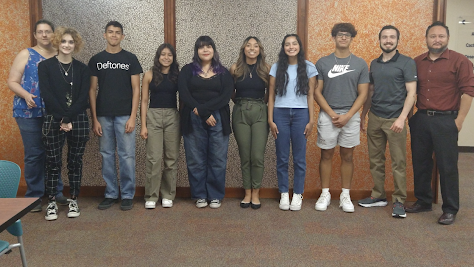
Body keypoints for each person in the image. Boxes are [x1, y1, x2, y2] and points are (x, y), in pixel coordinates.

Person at [405, 21, 474, 225]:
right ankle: (424, 201)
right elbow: (409, 91)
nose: (437, 40)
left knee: (447, 166)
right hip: (421, 119)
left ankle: (450, 208)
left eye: (441, 36)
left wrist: (459, 121)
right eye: (433, 36)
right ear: (426, 39)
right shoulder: (417, 61)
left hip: (447, 121)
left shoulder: (460, 61)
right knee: (421, 162)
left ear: (447, 38)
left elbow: (469, 92)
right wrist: (411, 118)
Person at [7, 19, 67, 212]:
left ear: (53, 34)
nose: (44, 35)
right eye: (40, 32)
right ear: (35, 35)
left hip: (53, 113)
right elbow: (12, 81)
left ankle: (56, 192)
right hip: (27, 112)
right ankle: (33, 195)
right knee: (34, 154)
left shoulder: (60, 55)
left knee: (53, 153)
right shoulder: (26, 54)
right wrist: (25, 95)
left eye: (48, 31)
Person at [358, 25, 417, 218]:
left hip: (395, 120)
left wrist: (402, 118)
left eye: (392, 37)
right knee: (375, 160)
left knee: (398, 162)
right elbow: (371, 92)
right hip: (375, 117)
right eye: (385, 37)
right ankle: (378, 195)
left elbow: (412, 93)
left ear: (397, 40)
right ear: (380, 40)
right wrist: (363, 115)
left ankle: (399, 200)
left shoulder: (407, 63)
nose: (388, 40)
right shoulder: (374, 63)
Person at [314, 23, 369, 213]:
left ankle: (345, 195)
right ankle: (325, 193)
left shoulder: (360, 64)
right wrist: (331, 113)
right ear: (333, 38)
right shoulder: (322, 62)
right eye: (339, 35)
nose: (343, 37)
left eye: (347, 35)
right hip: (328, 115)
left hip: (350, 117)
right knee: (326, 154)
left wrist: (348, 115)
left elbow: (363, 94)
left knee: (347, 155)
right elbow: (317, 91)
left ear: (352, 38)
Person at [89, 21, 143, 211]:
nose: (113, 35)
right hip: (103, 116)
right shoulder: (96, 60)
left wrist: (132, 117)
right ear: (104, 35)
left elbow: (137, 89)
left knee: (127, 156)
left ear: (122, 37)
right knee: (106, 155)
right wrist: (94, 119)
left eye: (117, 32)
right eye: (110, 32)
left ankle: (128, 194)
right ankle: (111, 193)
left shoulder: (131, 58)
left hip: (124, 116)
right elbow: (92, 89)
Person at [39, 27, 90, 220]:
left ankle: (74, 199)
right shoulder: (45, 67)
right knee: (53, 161)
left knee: (75, 162)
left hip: (78, 119)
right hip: (53, 119)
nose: (67, 45)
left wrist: (68, 118)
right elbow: (47, 95)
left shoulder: (83, 69)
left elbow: (83, 97)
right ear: (57, 43)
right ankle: (51, 202)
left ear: (75, 45)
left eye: (70, 42)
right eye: (63, 42)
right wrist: (62, 118)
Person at [178, 36, 233, 209]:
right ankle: (200, 194)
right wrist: (201, 111)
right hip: (192, 117)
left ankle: (215, 195)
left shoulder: (223, 72)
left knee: (217, 159)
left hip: (218, 117)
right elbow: (184, 93)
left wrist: (205, 110)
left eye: (209, 46)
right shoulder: (187, 70)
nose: (205, 50)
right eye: (201, 47)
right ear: (197, 51)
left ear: (214, 50)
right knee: (195, 159)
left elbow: (226, 96)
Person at [268, 34, 316, 211]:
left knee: (299, 158)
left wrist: (311, 120)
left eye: (294, 43)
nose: (291, 47)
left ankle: (297, 194)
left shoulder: (309, 67)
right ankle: (283, 194)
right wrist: (270, 119)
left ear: (299, 46)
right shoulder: (276, 67)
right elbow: (271, 96)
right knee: (281, 157)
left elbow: (310, 96)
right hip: (280, 113)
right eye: (287, 44)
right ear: (283, 48)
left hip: (301, 114)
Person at [229, 37, 270, 209]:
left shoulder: (266, 69)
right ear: (243, 49)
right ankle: (247, 193)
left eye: (255, 46)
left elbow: (271, 93)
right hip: (240, 112)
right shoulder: (235, 69)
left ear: (260, 50)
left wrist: (261, 104)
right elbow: (231, 92)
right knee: (245, 155)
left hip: (260, 111)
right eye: (248, 45)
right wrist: (241, 103)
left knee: (257, 156)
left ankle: (256, 192)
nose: (252, 48)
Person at [140, 44, 180, 209]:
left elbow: (183, 100)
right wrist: (143, 125)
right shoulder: (149, 75)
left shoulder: (177, 75)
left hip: (173, 116)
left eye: (169, 55)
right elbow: (143, 101)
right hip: (153, 116)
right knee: (154, 158)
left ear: (173, 57)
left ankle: (168, 195)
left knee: (171, 159)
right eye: (163, 54)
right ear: (158, 56)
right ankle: (151, 195)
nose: (166, 57)